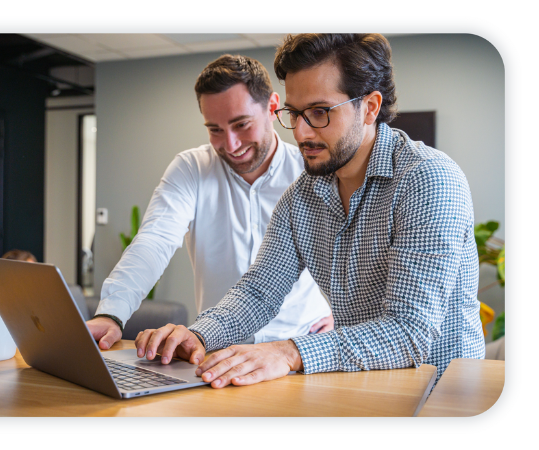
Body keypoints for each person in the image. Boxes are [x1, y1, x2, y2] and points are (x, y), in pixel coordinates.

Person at [134, 33, 485, 388]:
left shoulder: (428, 180)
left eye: (319, 112)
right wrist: (199, 336)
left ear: (370, 107)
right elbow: (259, 292)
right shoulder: (302, 196)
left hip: (442, 396)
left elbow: (408, 332)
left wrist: (287, 353)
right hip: (362, 388)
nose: (301, 132)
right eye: (294, 113)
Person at [87, 54, 333, 350]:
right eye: (215, 129)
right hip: (218, 346)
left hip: (301, 348)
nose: (230, 145)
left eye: (241, 124)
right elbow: (154, 240)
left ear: (271, 107)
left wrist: (341, 313)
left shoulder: (312, 171)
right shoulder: (191, 168)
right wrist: (111, 312)